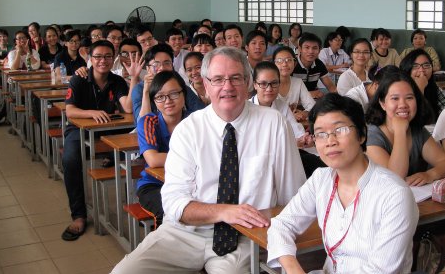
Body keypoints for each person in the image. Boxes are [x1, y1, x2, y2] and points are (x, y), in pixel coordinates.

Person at [112, 47, 306, 274]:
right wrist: (224, 211)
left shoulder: (274, 124)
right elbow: (174, 204)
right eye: (218, 79)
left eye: (236, 78)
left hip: (243, 235)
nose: (227, 87)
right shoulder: (189, 129)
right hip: (185, 233)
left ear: (248, 81)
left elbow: (293, 197)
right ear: (205, 84)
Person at [267, 93, 418, 273]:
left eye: (340, 130)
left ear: (362, 135)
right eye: (321, 134)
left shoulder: (394, 194)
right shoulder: (320, 179)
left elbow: (379, 271)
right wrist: (294, 269)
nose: (330, 141)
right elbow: (281, 225)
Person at [61, 40, 142, 241]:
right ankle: (79, 215)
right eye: (97, 57)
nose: (102, 61)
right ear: (90, 58)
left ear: (113, 58)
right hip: (79, 129)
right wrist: (91, 113)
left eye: (107, 56)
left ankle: (139, 205)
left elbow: (128, 107)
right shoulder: (79, 79)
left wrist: (133, 78)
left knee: (136, 152)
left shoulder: (117, 81)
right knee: (71, 160)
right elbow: (70, 111)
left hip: (108, 130)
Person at [365, 71, 445, 185]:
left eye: (409, 98)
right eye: (395, 98)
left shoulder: (417, 131)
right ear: (383, 104)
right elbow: (395, 178)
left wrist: (430, 175)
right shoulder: (372, 136)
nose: (403, 104)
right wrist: (400, 131)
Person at [136, 71, 188, 225]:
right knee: (169, 212)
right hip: (154, 185)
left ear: (184, 94)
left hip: (189, 183)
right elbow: (153, 160)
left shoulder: (194, 120)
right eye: (160, 97)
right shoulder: (148, 122)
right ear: (154, 100)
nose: (168, 101)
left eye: (174, 94)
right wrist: (192, 158)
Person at [132, 43, 204, 122]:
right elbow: (141, 123)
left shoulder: (179, 85)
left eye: (167, 63)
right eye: (156, 64)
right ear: (148, 69)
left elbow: (201, 113)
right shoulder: (139, 89)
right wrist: (146, 92)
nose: (162, 68)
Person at [250, 61, 310, 146]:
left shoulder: (282, 106)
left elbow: (295, 128)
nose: (269, 89)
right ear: (255, 85)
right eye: (263, 84)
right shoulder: (246, 109)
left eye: (274, 83)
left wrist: (303, 138)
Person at [399, 49, 445, 123]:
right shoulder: (400, 89)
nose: (421, 70)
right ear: (407, 69)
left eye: (426, 65)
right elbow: (411, 119)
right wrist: (420, 89)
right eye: (415, 66)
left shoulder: (434, 88)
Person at [273, 47, 315, 122]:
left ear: (294, 63)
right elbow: (267, 111)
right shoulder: (268, 84)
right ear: (273, 64)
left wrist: (304, 114)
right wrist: (290, 116)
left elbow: (312, 106)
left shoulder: (298, 82)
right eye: (279, 61)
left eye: (289, 60)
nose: (284, 64)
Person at [292, 33, 337, 99]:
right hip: (293, 102)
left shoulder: (319, 64)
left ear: (319, 50)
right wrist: (309, 94)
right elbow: (284, 91)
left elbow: (331, 87)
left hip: (312, 101)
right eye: (307, 47)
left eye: (315, 48)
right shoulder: (292, 64)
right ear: (300, 49)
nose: (311, 51)